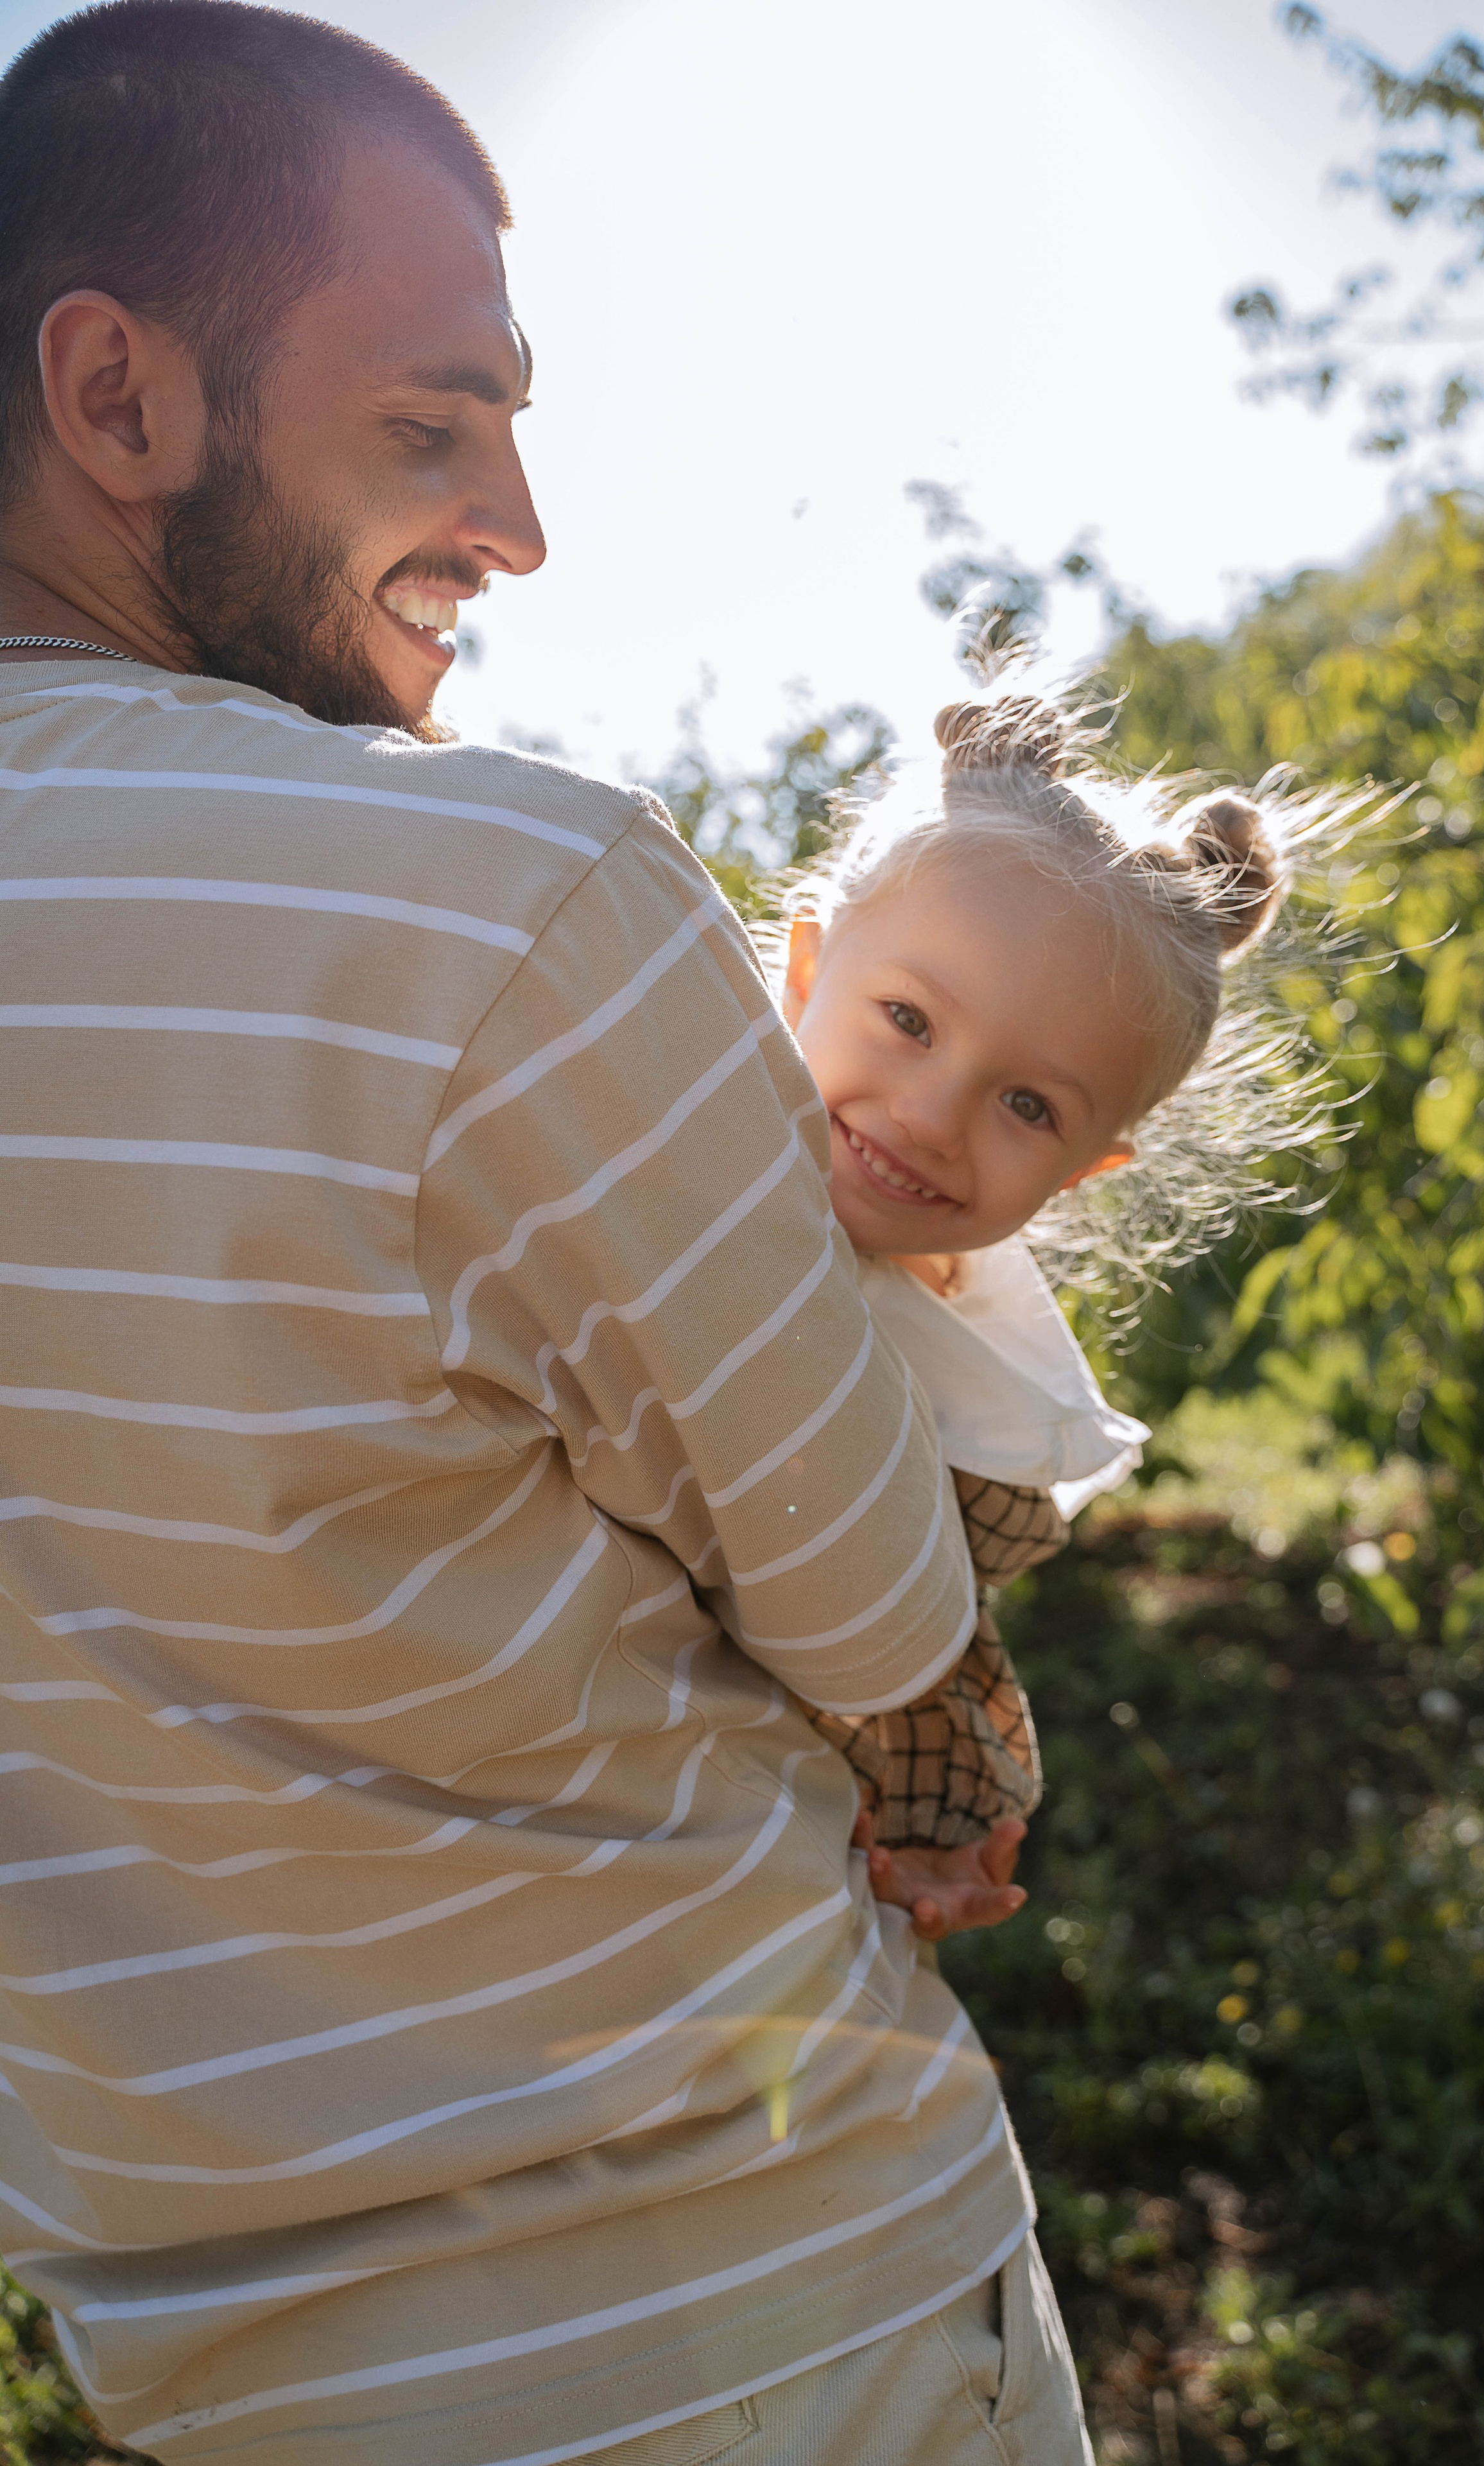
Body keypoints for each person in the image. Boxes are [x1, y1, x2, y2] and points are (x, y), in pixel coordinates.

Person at [0, 7, 1094, 2464]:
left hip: (214, 2399)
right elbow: (892, 1650)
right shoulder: (503, 897)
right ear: (116, 394)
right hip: (778, 2324)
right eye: (431, 421)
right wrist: (964, 1749)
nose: (518, 522)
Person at [773, 694, 1317, 1925]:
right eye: (907, 1020)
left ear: (1085, 1169)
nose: (928, 1112)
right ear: (808, 969)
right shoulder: (635, 1169)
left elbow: (905, 1692)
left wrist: (921, 1847)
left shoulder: (967, 1404)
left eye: (1028, 1107)